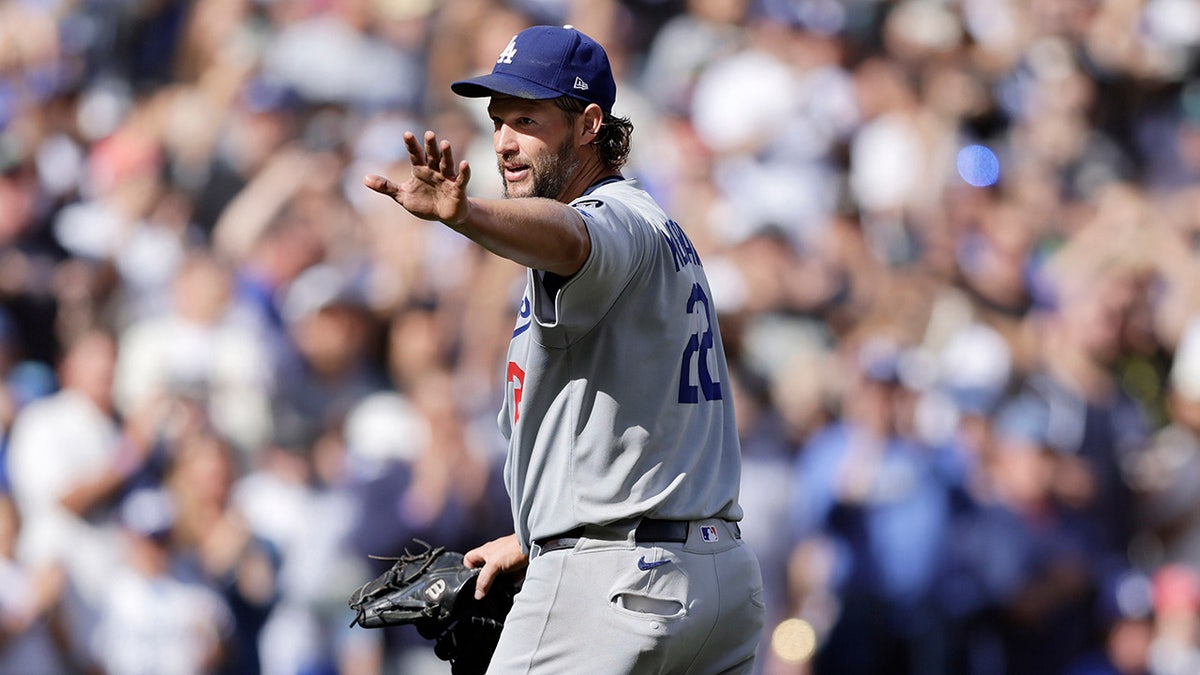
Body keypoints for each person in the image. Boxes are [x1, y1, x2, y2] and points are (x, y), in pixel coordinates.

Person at [364, 24, 765, 674]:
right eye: (497, 121)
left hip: (616, 583)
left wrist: (467, 215)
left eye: (527, 120)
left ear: (589, 125)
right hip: (714, 579)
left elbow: (573, 236)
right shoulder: (660, 229)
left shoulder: (614, 219)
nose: (504, 142)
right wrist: (535, 537)